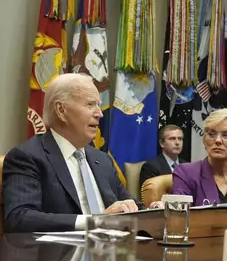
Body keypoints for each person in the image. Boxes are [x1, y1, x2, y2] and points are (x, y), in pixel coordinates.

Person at [2, 73, 161, 233]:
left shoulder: (102, 160)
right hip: (60, 255)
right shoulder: (28, 157)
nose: (100, 113)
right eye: (90, 104)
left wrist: (154, 211)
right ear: (61, 110)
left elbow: (128, 205)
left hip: (111, 253)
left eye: (99, 105)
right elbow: (19, 217)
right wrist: (95, 221)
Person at [172, 108, 227, 205]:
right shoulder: (186, 173)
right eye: (211, 134)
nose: (217, 140)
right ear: (204, 141)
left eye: (226, 135)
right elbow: (179, 216)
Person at [139, 124, 187, 190]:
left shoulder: (187, 166)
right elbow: (150, 195)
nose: (177, 143)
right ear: (162, 143)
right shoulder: (150, 167)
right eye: (172, 139)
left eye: (180, 139)